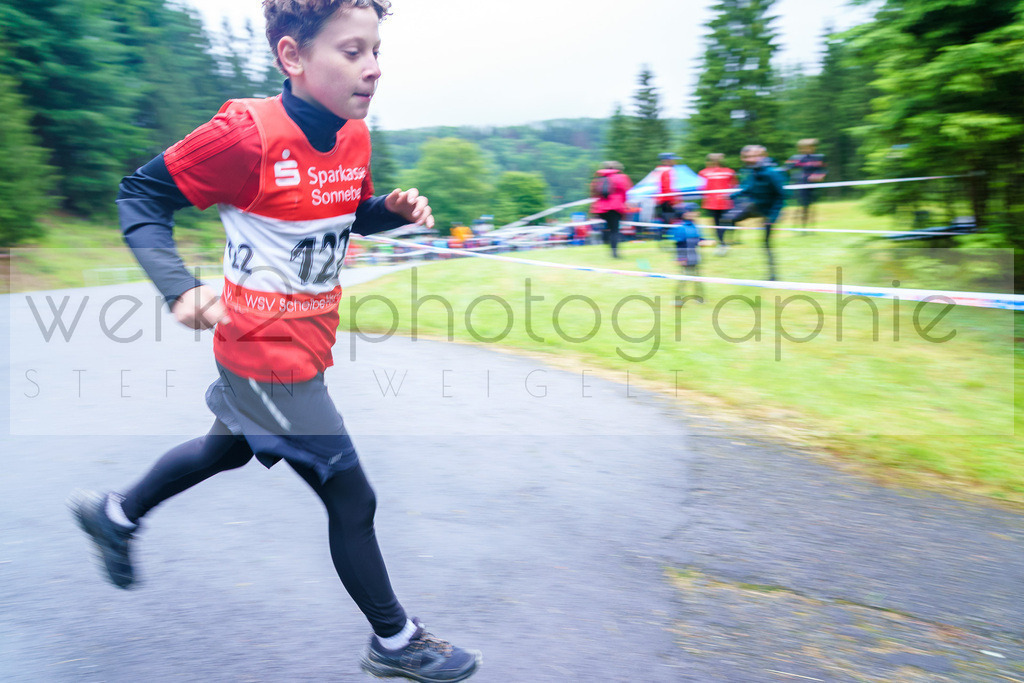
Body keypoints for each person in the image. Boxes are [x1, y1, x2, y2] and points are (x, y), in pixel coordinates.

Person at [68, 2, 482, 681]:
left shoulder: (353, 133)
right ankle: (395, 637)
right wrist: (178, 288)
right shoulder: (245, 135)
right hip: (266, 356)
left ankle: (116, 514)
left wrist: (389, 213)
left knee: (220, 451)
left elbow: (340, 218)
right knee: (354, 499)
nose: (373, 68)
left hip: (304, 348)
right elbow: (140, 196)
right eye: (352, 52)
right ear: (293, 57)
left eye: (377, 50)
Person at [722, 145, 786, 280]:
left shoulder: (771, 173)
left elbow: (781, 196)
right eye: (746, 157)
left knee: (766, 243)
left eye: (753, 156)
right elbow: (749, 188)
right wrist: (733, 195)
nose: (749, 159)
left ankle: (773, 274)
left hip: (769, 211)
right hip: (755, 207)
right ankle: (726, 245)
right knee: (728, 218)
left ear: (762, 156)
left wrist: (773, 216)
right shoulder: (753, 171)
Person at [590, 160, 632, 258]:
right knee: (614, 230)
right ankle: (615, 253)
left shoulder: (598, 179)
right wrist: (625, 206)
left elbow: (593, 193)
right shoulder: (622, 178)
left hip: (601, 208)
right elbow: (626, 193)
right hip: (615, 207)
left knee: (608, 228)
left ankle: (607, 242)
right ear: (617, 168)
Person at [697, 152, 737, 254]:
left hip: (712, 202)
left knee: (717, 223)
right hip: (726, 201)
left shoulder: (703, 173)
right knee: (726, 222)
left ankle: (722, 243)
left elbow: (701, 188)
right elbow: (734, 186)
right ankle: (725, 242)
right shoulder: (729, 172)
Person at [784, 138, 827, 233]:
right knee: (801, 207)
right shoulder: (796, 158)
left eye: (811, 147)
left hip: (813, 185)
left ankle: (810, 228)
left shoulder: (819, 157)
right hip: (801, 184)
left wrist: (819, 175)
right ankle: (799, 227)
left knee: (812, 207)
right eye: (805, 147)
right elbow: (785, 168)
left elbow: (824, 169)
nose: (808, 149)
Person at [669, 203, 705, 305]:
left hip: (695, 256)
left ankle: (699, 298)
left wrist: (706, 241)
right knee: (683, 279)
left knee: (697, 278)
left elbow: (700, 239)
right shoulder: (680, 227)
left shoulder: (695, 226)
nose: (695, 213)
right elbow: (678, 244)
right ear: (685, 213)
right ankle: (678, 299)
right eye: (692, 211)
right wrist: (680, 258)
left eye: (696, 211)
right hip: (685, 256)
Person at [654, 152, 680, 233]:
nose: (675, 162)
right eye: (673, 160)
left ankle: (665, 233)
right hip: (667, 199)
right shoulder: (667, 170)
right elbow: (667, 187)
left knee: (666, 218)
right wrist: (673, 200)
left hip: (662, 198)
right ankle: (666, 234)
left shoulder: (658, 170)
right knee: (668, 219)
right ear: (667, 161)